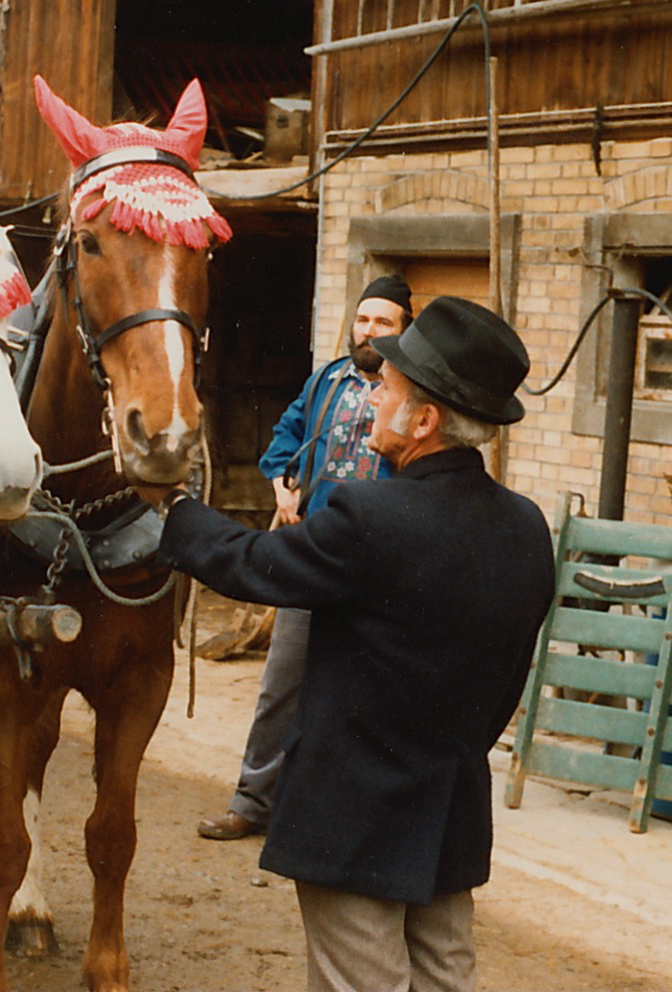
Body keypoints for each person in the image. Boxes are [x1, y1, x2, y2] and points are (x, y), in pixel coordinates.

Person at [140, 297, 555, 991]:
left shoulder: (369, 515)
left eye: (387, 389)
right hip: (448, 811)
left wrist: (176, 509)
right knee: (445, 980)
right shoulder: (526, 526)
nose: (372, 399)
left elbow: (250, 563)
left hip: (352, 814)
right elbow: (507, 683)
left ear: (423, 422)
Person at [198, 274, 411, 841]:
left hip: (381, 563)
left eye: (383, 322)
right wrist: (282, 485)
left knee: (365, 691)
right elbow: (282, 440)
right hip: (315, 552)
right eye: (363, 319)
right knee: (282, 683)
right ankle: (253, 802)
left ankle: (345, 817)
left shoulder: (411, 394)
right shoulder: (326, 382)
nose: (369, 331)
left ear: (404, 331)